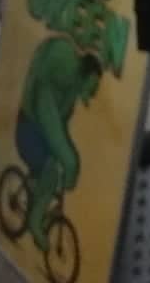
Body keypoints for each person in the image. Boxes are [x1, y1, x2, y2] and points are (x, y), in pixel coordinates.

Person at [16, 38, 103, 249]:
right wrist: (70, 162)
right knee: (50, 173)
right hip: (28, 129)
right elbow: (50, 122)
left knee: (54, 167)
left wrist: (68, 160)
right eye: (92, 85)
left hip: (42, 133)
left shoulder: (70, 89)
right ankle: (35, 222)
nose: (92, 92)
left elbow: (60, 127)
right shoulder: (54, 79)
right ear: (84, 75)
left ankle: (35, 193)